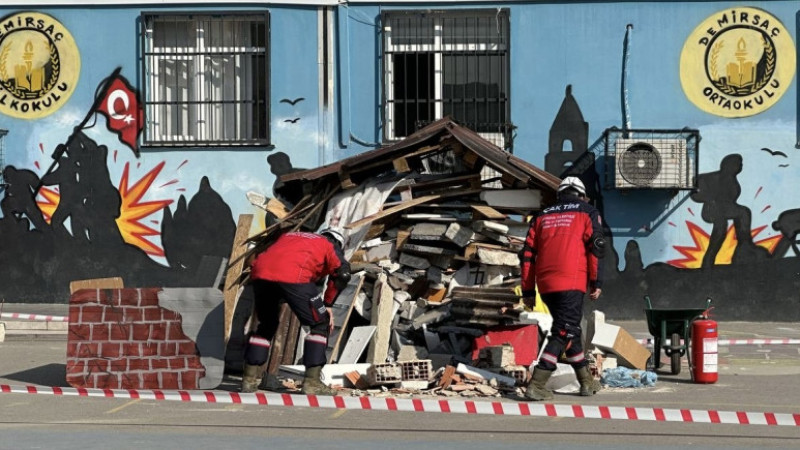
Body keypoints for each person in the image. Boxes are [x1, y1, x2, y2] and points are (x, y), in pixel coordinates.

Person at [519, 176, 605, 400]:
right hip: (572, 281)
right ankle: (537, 383)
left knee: (570, 330)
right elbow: (596, 249)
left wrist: (528, 291)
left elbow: (527, 256)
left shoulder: (541, 216)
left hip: (546, 285)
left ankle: (586, 382)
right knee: (563, 331)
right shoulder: (588, 212)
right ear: (582, 195)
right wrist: (596, 281)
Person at [242, 227, 351, 395]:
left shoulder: (289, 235)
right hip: (295, 275)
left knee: (267, 324)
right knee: (320, 324)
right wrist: (328, 304)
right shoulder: (329, 244)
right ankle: (312, 382)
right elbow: (343, 274)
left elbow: (263, 253)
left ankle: (248, 379)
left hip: (261, 273)